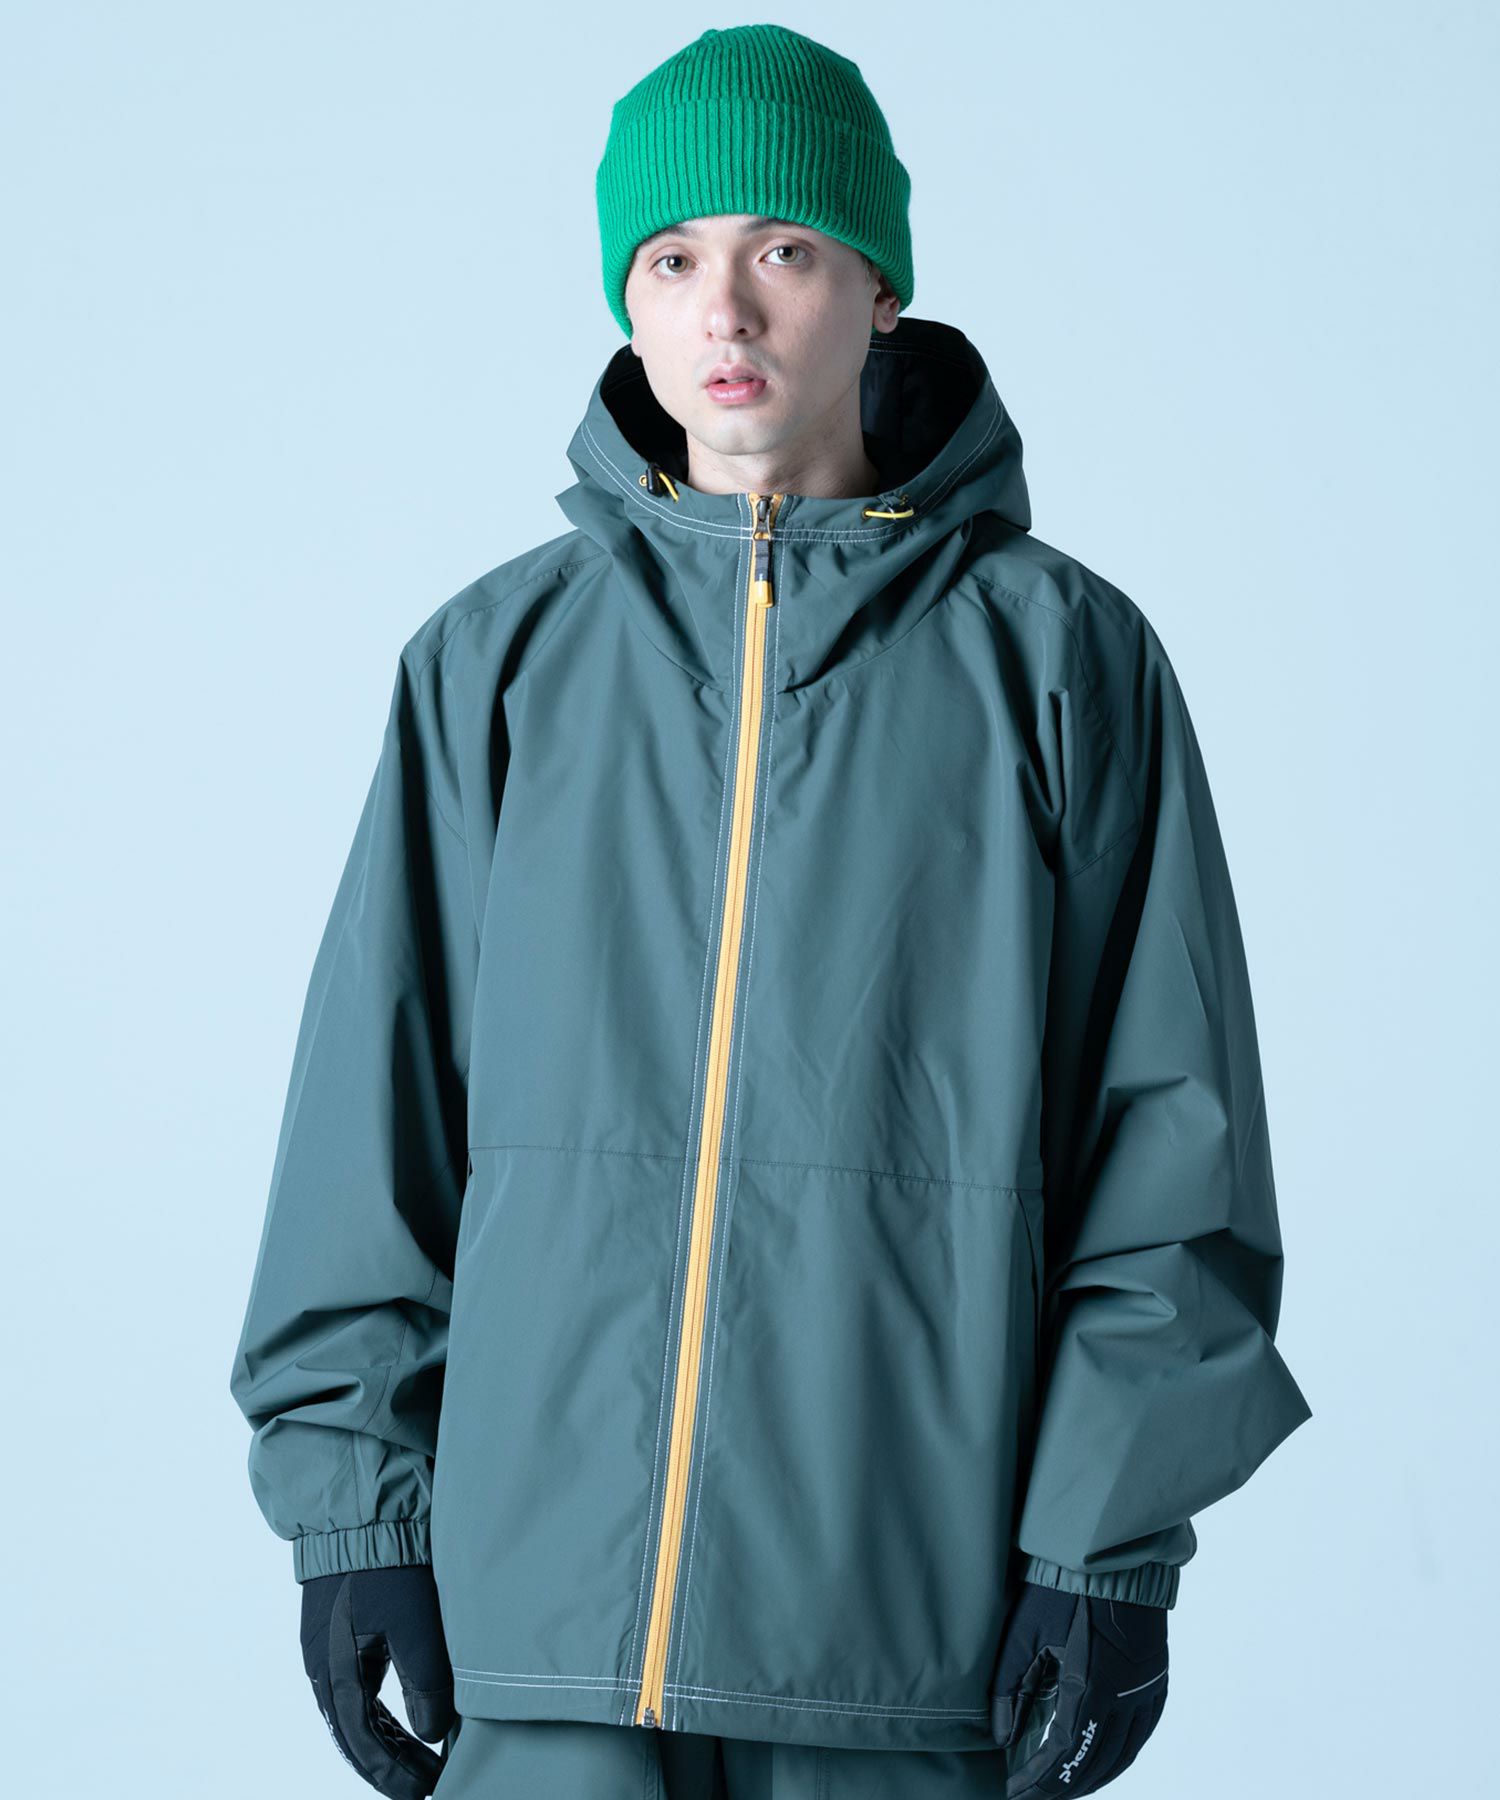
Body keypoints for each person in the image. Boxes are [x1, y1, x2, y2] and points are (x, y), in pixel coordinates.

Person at [229, 23, 1313, 1800]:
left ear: (878, 288)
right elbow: (373, 1123)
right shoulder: (495, 666)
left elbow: (1172, 1146)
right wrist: (355, 1511)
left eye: (783, 249)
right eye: (672, 260)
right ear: (628, 303)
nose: (724, 309)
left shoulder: (1064, 664)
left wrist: (1105, 1547)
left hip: (907, 1645)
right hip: (544, 1641)